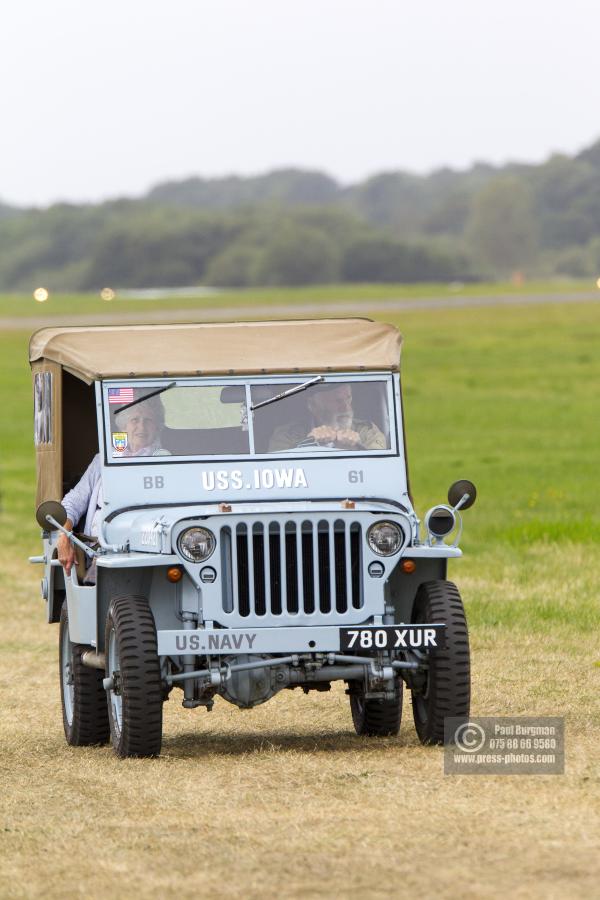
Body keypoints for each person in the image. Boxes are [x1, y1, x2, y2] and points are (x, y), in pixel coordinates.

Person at [57, 394, 168, 580]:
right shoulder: (102, 459)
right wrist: (63, 535)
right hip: (96, 550)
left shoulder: (163, 459)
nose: (141, 427)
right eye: (135, 420)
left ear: (157, 427)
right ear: (123, 426)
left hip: (140, 552)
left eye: (148, 421)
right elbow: (75, 500)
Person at [268, 383, 386, 452]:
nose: (346, 408)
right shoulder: (286, 434)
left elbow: (381, 467)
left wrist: (354, 447)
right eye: (338, 401)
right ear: (313, 405)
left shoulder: (367, 431)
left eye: (348, 398)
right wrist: (308, 445)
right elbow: (276, 470)